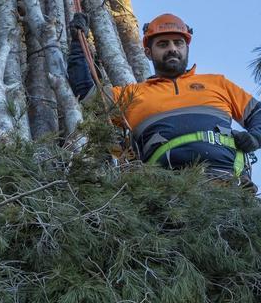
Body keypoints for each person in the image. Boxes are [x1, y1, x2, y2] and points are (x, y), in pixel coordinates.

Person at [67, 12, 260, 183]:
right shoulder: (133, 94)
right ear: (148, 52)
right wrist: (78, 42)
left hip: (228, 185)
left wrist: (255, 137)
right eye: (163, 44)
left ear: (186, 47)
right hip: (165, 193)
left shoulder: (218, 84)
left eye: (178, 43)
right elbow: (87, 94)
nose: (172, 49)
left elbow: (257, 113)